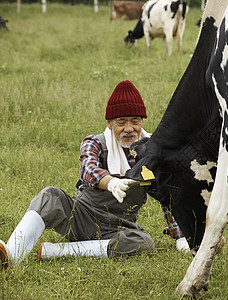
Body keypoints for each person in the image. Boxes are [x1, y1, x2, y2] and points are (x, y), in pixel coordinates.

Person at [0, 80, 189, 270]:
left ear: (142, 122)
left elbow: (167, 193)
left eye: (135, 121)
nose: (129, 128)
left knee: (144, 242)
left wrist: (180, 235)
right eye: (121, 122)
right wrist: (111, 183)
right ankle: (12, 254)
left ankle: (57, 251)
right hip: (81, 217)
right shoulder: (94, 142)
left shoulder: (152, 152)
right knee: (50, 196)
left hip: (120, 228)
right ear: (109, 123)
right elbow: (88, 169)